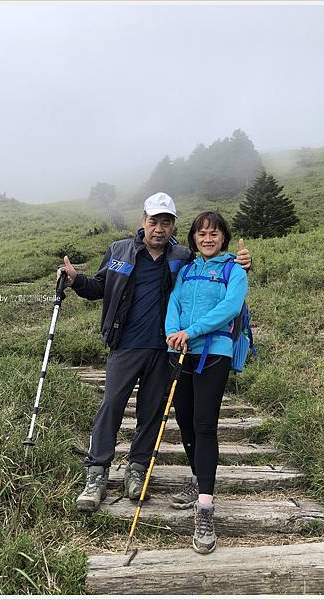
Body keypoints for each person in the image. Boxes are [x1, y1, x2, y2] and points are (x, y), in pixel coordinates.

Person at [56, 193, 252, 512]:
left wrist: (245, 262)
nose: (159, 228)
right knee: (111, 407)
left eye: (166, 222)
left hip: (164, 350)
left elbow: (215, 264)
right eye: (154, 221)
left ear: (173, 226)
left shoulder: (182, 256)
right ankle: (96, 474)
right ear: (143, 221)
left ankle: (138, 470)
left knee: (150, 413)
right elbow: (98, 288)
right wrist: (77, 280)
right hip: (125, 345)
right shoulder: (119, 251)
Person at [165, 211, 248, 554]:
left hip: (214, 354)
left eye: (214, 233)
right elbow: (173, 303)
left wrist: (192, 331)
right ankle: (198, 476)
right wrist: (172, 332)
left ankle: (205, 508)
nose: (208, 238)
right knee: (183, 420)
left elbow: (231, 308)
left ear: (224, 238)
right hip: (181, 352)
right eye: (201, 233)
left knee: (204, 426)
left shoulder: (235, 270)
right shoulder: (187, 270)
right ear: (194, 238)